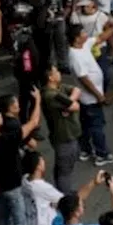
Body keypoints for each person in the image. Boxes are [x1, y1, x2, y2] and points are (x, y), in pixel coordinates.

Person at [23, 151, 100, 225]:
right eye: (42, 160)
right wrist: (94, 183)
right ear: (38, 166)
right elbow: (70, 202)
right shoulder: (42, 188)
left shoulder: (25, 181)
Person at [67, 22, 113, 166]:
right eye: (83, 33)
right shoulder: (75, 56)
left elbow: (100, 38)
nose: (86, 34)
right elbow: (84, 80)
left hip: (89, 97)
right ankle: (102, 154)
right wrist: (99, 96)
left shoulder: (84, 46)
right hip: (90, 98)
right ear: (77, 38)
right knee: (97, 126)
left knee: (86, 124)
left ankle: (85, 150)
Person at [40, 63, 82, 195]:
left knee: (63, 167)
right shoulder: (51, 95)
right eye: (56, 71)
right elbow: (75, 107)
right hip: (64, 137)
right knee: (65, 171)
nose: (59, 73)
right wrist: (70, 104)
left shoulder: (58, 88)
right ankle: (65, 197)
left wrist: (69, 102)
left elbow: (77, 90)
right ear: (50, 77)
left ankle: (62, 191)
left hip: (69, 134)